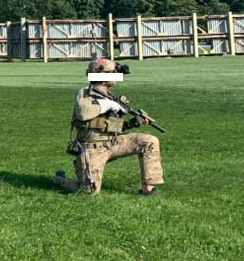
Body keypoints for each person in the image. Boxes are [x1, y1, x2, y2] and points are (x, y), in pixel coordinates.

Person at [53, 57, 165, 196]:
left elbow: (112, 127)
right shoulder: (84, 94)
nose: (117, 76)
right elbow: (83, 114)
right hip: (92, 148)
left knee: (149, 141)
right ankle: (60, 180)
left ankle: (148, 190)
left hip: (112, 143)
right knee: (89, 192)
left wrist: (133, 123)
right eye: (114, 73)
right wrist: (108, 105)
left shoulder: (111, 96)